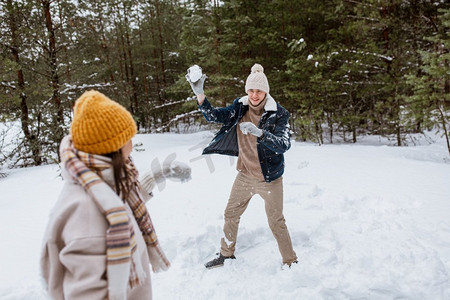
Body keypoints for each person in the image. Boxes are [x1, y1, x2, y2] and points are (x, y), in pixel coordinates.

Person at [40, 90, 170, 300]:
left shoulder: (99, 184)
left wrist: (152, 179)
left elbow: (121, 205)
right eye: (128, 138)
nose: (133, 143)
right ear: (112, 148)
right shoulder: (85, 214)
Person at [186, 63, 298, 269]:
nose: (255, 95)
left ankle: (290, 260)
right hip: (245, 175)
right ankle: (226, 254)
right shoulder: (241, 106)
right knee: (230, 214)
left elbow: (284, 144)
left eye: (259, 91)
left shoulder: (278, 113)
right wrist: (200, 94)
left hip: (269, 178)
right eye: (251, 90)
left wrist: (260, 133)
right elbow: (215, 116)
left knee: (276, 222)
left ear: (266, 91)